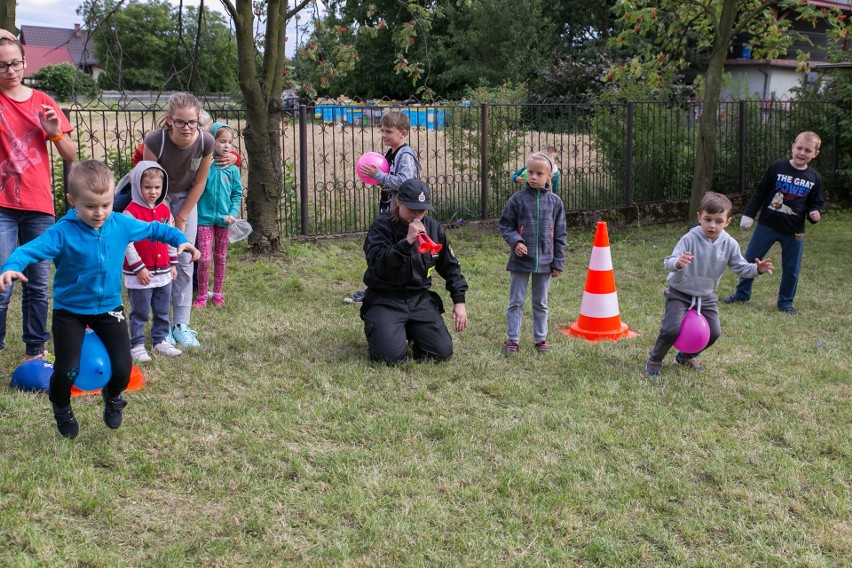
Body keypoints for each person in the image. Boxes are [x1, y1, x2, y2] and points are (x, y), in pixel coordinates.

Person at [0, 160, 199, 438]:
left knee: (122, 367)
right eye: (91, 206)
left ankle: (113, 396)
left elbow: (156, 229)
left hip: (109, 309)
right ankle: (61, 407)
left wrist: (180, 239)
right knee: (68, 370)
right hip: (70, 311)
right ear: (72, 201)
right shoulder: (62, 232)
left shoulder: (119, 223)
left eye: (106, 204)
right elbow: (31, 250)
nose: (100, 213)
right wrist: (11, 266)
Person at [0, 31, 76, 361]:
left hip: (38, 204)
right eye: (2, 65)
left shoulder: (43, 101)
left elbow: (70, 154)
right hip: (2, 205)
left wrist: (54, 132)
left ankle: (35, 347)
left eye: (15, 63)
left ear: (25, 62)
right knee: (2, 278)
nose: (11, 71)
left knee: (38, 282)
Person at [645, 192, 774, 377]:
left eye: (718, 221)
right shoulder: (689, 238)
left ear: (727, 221)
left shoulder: (729, 243)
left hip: (706, 296)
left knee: (714, 333)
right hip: (680, 292)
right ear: (699, 217)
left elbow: (740, 267)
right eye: (707, 219)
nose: (712, 225)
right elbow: (668, 261)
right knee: (670, 329)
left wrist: (757, 269)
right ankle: (655, 360)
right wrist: (678, 263)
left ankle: (685, 356)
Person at [360, 179, 468, 363]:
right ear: (398, 202)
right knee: (388, 358)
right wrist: (407, 242)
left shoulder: (433, 228)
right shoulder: (381, 226)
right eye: (412, 209)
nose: (417, 215)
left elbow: (450, 265)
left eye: (422, 209)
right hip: (385, 299)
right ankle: (388, 329)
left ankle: (410, 330)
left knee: (441, 353)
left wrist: (459, 301)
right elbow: (378, 264)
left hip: (418, 299)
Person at [722, 131, 824, 315]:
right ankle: (742, 293)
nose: (802, 153)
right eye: (799, 148)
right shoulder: (777, 167)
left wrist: (814, 213)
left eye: (807, 150)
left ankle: (785, 303)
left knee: (792, 269)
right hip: (766, 225)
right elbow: (760, 193)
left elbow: (815, 203)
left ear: (815, 153)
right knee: (750, 259)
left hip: (794, 232)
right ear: (793, 147)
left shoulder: (814, 178)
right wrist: (749, 215)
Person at [142, 92, 214, 348]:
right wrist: (166, 216)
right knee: (158, 259)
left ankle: (181, 325)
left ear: (198, 121)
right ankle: (157, 324)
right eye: (180, 122)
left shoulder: (206, 141)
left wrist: (182, 216)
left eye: (192, 122)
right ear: (170, 120)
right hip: (155, 197)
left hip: (187, 198)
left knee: (185, 259)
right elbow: (147, 181)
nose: (186, 128)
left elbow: (200, 181)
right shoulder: (155, 141)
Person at [345, 110, 421, 304]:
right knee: (379, 249)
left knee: (383, 250)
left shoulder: (405, 156)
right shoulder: (391, 153)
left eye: (389, 131)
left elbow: (405, 183)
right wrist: (377, 178)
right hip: (389, 211)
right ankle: (375, 290)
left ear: (403, 133)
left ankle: (377, 292)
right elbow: (390, 181)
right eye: (382, 131)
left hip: (399, 214)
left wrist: (378, 175)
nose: (384, 135)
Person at [499, 151, 567, 354]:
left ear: (549, 177)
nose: (534, 177)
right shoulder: (517, 200)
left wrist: (558, 262)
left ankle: (540, 338)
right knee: (516, 301)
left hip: (545, 262)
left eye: (539, 173)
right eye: (530, 172)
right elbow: (505, 225)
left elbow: (560, 235)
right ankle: (513, 339)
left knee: (541, 302)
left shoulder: (555, 203)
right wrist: (516, 241)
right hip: (520, 260)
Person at [122, 161, 183, 362]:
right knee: (140, 310)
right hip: (141, 272)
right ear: (138, 187)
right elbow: (127, 243)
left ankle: (160, 340)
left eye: (157, 187)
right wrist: (138, 268)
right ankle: (137, 344)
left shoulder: (165, 210)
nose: (153, 192)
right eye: (147, 187)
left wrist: (173, 263)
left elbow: (171, 236)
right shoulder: (130, 212)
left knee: (163, 308)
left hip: (164, 270)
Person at [193, 122, 243, 308]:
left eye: (230, 142)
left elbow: (237, 194)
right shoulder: (205, 165)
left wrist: (232, 213)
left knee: (220, 257)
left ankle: (218, 293)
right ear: (212, 141)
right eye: (222, 141)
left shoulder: (233, 169)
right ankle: (202, 294)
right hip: (204, 219)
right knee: (204, 258)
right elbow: (196, 188)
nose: (227, 146)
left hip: (224, 221)